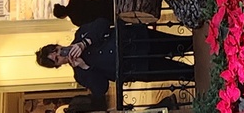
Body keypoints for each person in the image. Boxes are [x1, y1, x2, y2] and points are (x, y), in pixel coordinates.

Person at [34, 18, 194, 97]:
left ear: (58, 45)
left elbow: (103, 23)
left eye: (57, 50)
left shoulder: (80, 33)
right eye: (57, 58)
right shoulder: (80, 75)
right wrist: (84, 66)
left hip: (138, 40)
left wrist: (84, 43)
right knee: (183, 73)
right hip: (139, 68)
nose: (61, 54)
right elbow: (101, 88)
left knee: (183, 44)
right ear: (58, 65)